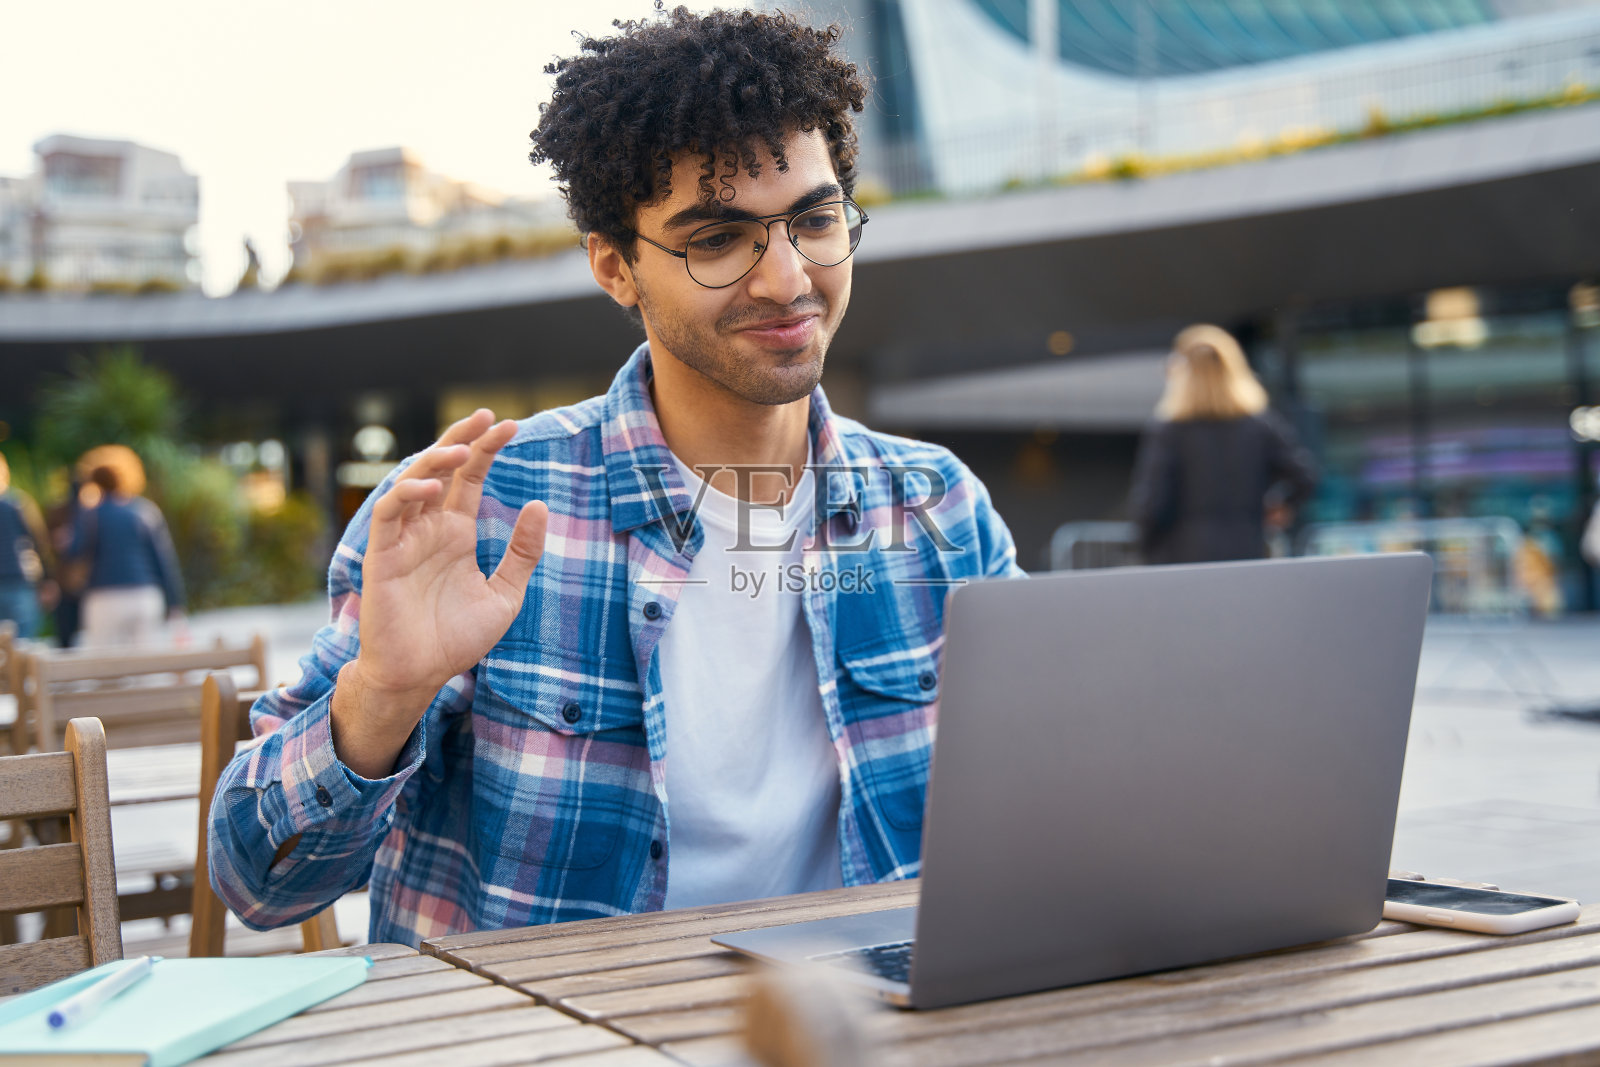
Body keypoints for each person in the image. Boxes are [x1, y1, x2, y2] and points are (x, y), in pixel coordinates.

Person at [209, 7, 1022, 948]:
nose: (787, 277)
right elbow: (255, 883)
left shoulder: (939, 509)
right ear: (614, 266)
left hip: (860, 1032)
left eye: (814, 217)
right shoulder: (482, 513)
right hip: (548, 1039)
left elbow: (1050, 793)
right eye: (718, 238)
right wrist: (382, 695)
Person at [1129, 324, 1316, 565]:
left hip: (1182, 555)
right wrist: (1280, 507)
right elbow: (1305, 475)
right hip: (1246, 549)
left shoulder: (1169, 430)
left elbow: (1152, 503)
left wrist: (1144, 547)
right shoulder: (1259, 425)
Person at [68, 450, 186, 647]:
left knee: (106, 666)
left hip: (104, 595)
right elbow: (164, 561)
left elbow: (74, 550)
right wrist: (176, 603)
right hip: (145, 594)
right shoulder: (145, 511)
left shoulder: (90, 514)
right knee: (145, 666)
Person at [0, 452, 53, 638]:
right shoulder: (18, 502)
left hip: (18, 580)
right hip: (19, 578)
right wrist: (47, 579)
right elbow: (39, 541)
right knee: (23, 644)